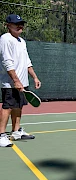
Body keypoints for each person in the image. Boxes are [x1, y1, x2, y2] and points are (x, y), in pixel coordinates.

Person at [0, 14, 41, 148]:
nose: (20, 26)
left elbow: (27, 62)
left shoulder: (21, 41)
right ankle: (1, 135)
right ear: (8, 26)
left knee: (18, 106)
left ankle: (16, 131)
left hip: (23, 82)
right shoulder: (5, 39)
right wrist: (15, 81)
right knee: (8, 107)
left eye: (21, 24)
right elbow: (7, 62)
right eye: (16, 24)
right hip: (10, 82)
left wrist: (34, 77)